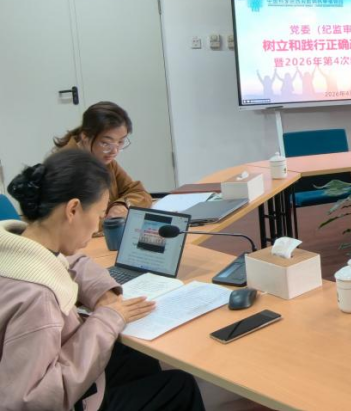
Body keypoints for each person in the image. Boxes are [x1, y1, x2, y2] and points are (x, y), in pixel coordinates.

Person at [0, 149, 205, 410]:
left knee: (137, 358)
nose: (98, 226)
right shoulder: (38, 298)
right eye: (98, 216)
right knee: (179, 386)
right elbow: (29, 401)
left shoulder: (17, 244)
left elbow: (70, 262)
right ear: (73, 209)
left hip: (45, 370)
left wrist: (103, 292)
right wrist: (107, 320)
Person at [54, 101, 152, 223]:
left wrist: (123, 205)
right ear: (85, 136)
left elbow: (139, 192)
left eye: (120, 142)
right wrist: (110, 218)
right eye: (105, 143)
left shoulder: (104, 160)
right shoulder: (63, 168)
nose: (114, 151)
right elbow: (71, 221)